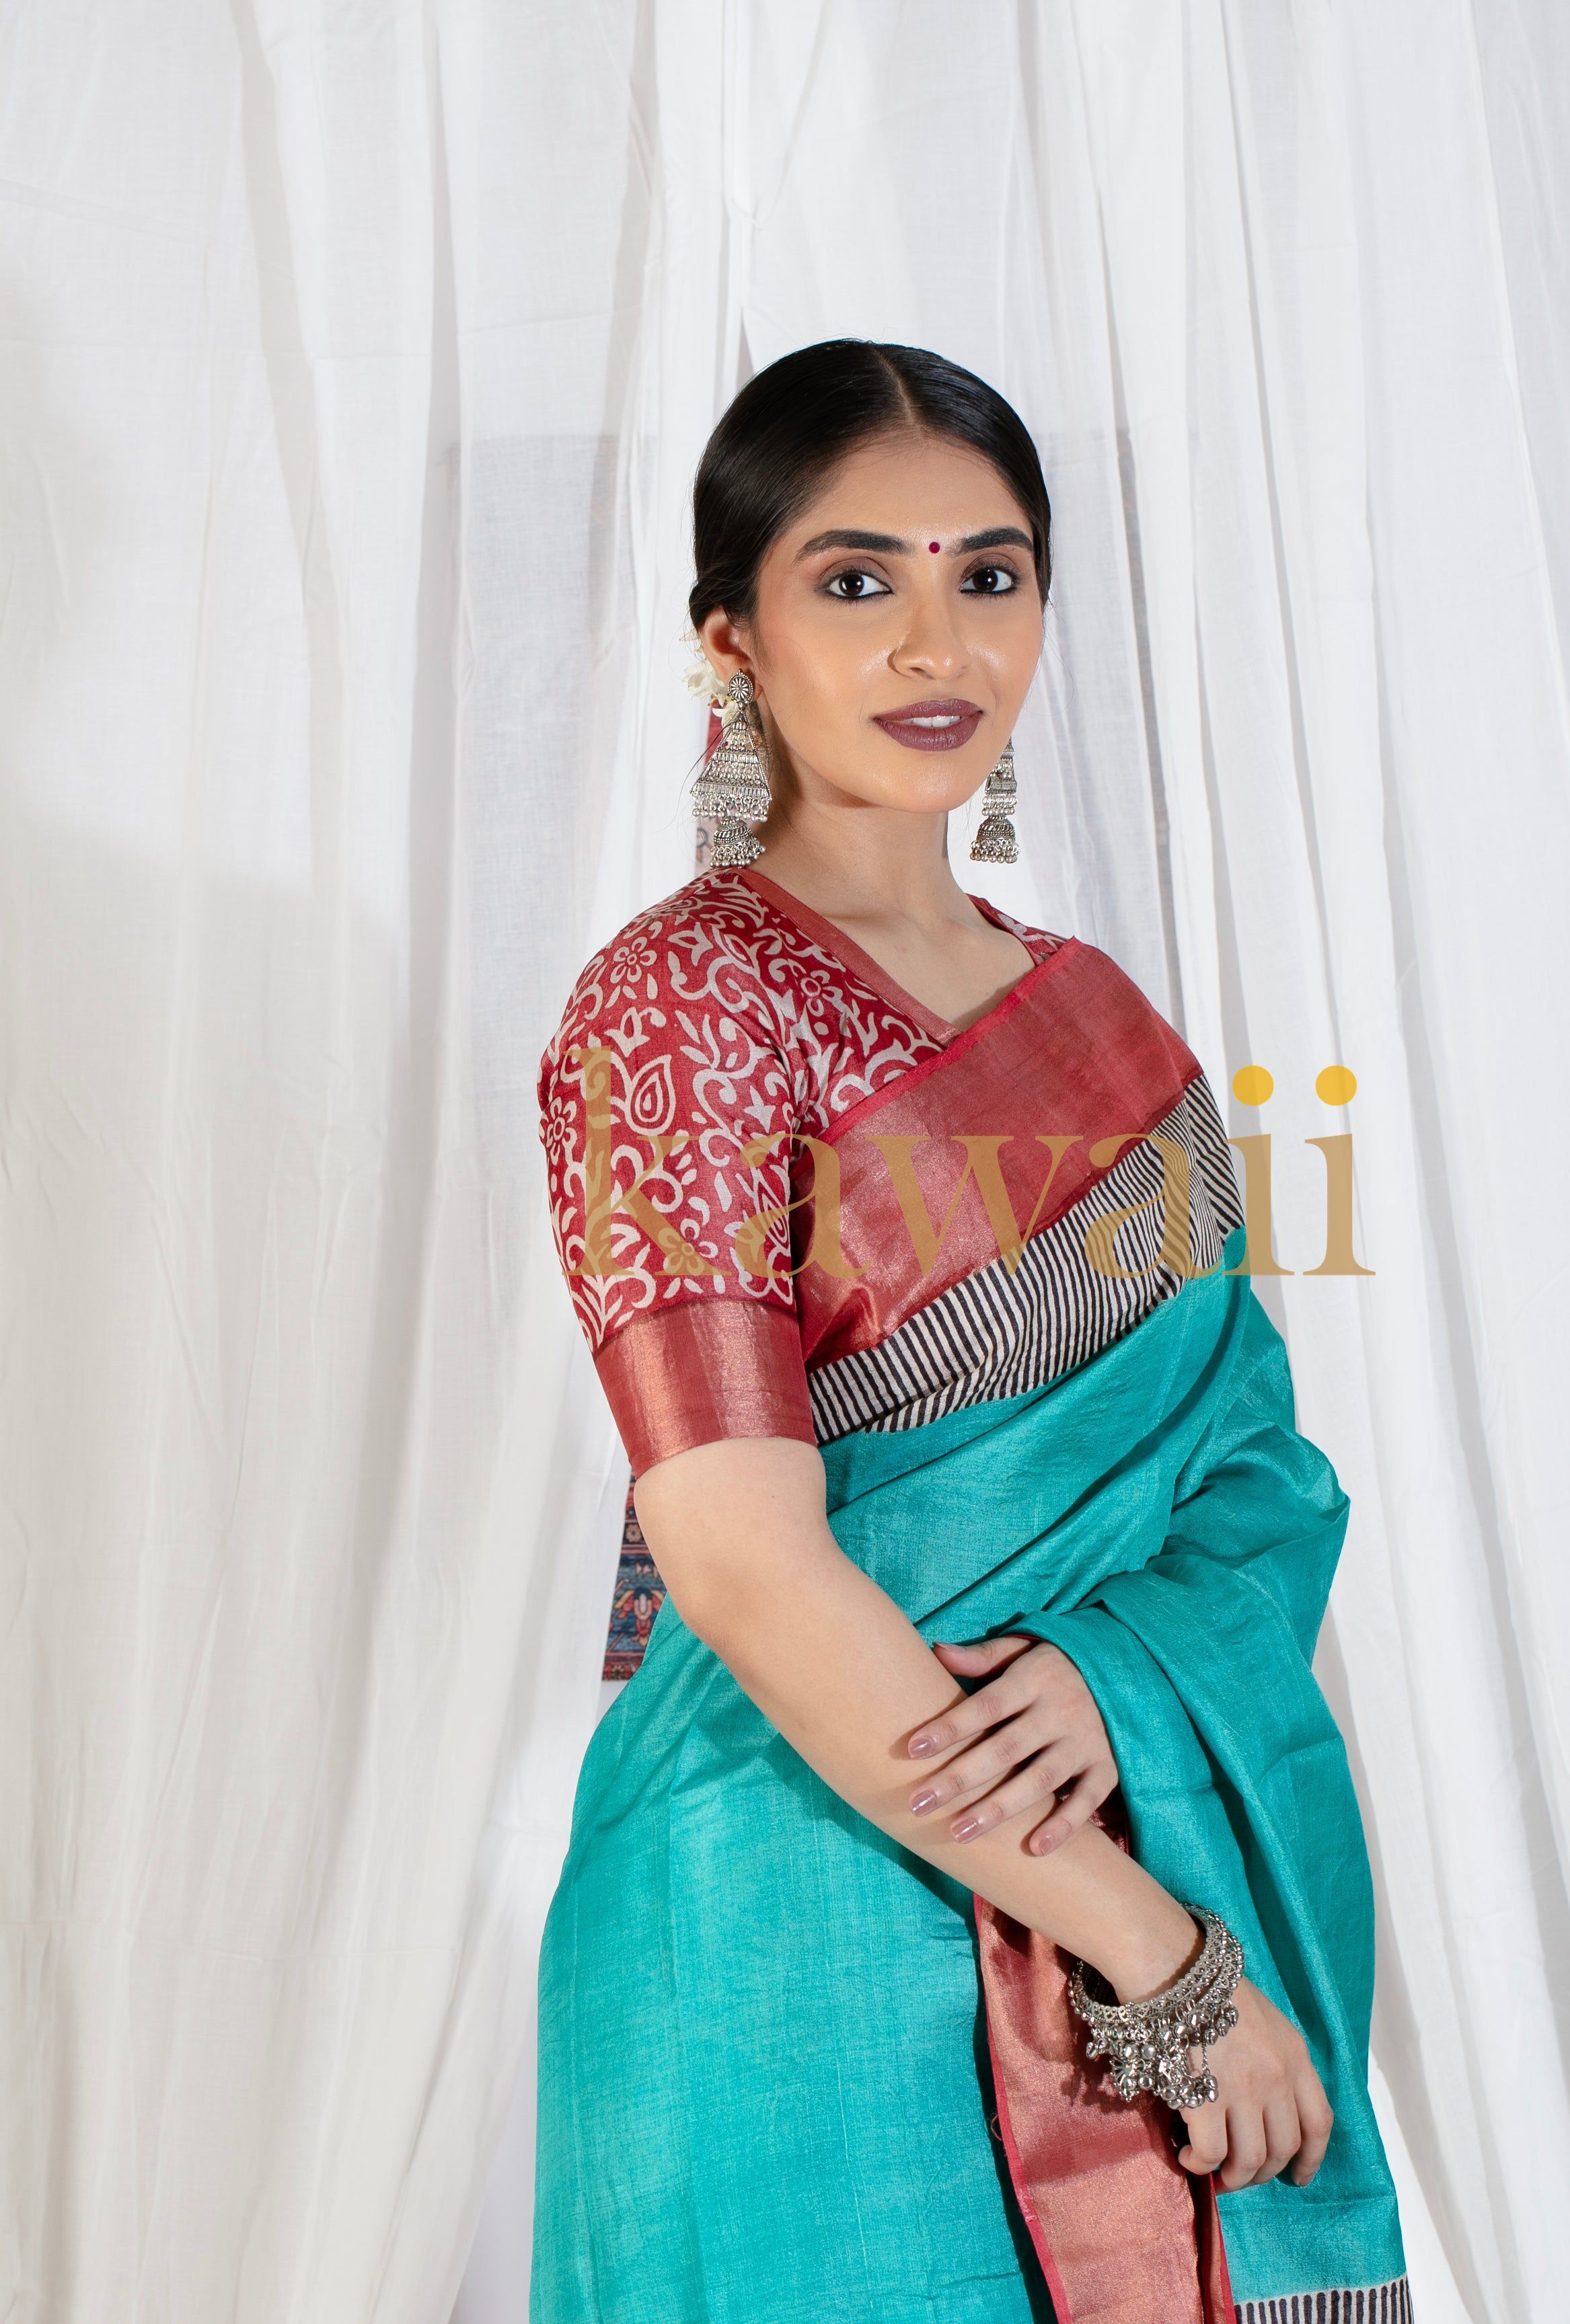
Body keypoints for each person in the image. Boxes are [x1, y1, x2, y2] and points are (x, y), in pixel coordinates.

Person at [532, 340, 1409, 2323]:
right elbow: (744, 1562)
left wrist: (1118, 1680)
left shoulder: (1101, 1015)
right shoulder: (676, 1008)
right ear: (729, 640)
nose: (940, 636)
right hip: (786, 1929)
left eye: (989, 571)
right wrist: (1161, 1954)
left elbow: (1256, 1469)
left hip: (1101, 1819)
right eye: (856, 579)